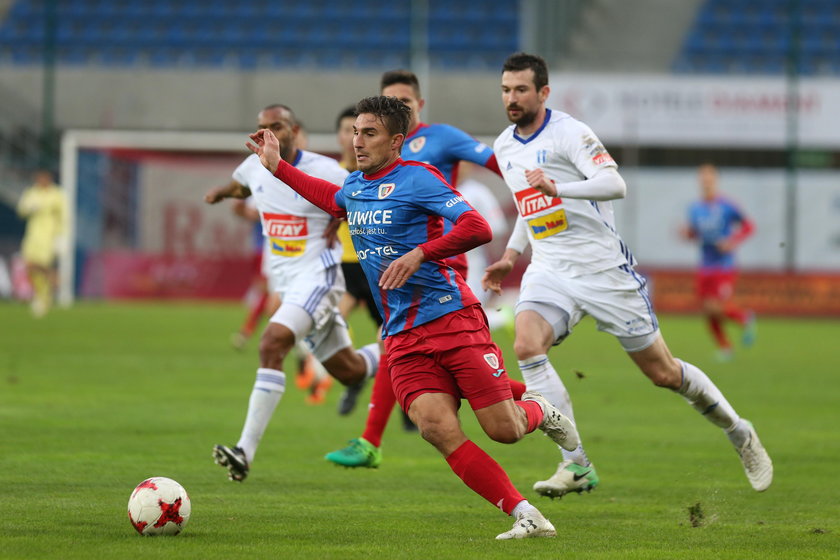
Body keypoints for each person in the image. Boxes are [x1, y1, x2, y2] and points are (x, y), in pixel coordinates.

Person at [246, 94, 580, 539]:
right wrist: (277, 166)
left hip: (452, 320)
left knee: (504, 430)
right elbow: (331, 198)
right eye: (355, 132)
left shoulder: (419, 179)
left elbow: (476, 227)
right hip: (402, 335)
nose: (357, 141)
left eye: (369, 133)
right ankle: (525, 514)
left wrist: (420, 254)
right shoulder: (355, 186)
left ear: (396, 141)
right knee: (436, 428)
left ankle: (540, 409)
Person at [483, 52, 773, 499]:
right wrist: (512, 253)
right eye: (506, 89)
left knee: (663, 373)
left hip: (603, 270)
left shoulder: (570, 132)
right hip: (551, 267)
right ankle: (575, 464)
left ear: (543, 92)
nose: (512, 98)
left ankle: (738, 431)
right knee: (525, 344)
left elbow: (615, 184)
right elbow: (528, 203)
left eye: (521, 89)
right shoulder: (504, 144)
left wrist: (560, 187)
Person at [325, 69, 525, 468]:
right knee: (395, 342)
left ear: (418, 104)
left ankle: (371, 439)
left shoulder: (442, 139)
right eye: (389, 101)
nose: (397, 107)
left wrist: (537, 188)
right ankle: (370, 440)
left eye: (403, 101)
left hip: (445, 260)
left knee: (410, 347)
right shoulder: (375, 155)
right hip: (394, 257)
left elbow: (500, 164)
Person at [203, 104, 380, 482]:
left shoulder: (325, 170)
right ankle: (402, 349)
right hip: (288, 282)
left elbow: (355, 200)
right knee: (349, 371)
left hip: (319, 277)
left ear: (295, 131)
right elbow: (242, 187)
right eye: (261, 126)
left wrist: (341, 218)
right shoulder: (253, 166)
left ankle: (244, 451)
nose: (267, 132)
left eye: (276, 126)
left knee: (272, 343)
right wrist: (222, 192)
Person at [331, 105, 385, 416]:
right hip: (345, 266)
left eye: (361, 131)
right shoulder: (332, 174)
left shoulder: (379, 174)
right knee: (333, 321)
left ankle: (405, 407)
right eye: (348, 131)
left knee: (391, 340)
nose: (353, 138)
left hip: (377, 265)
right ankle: (354, 375)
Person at [682, 163, 757, 361]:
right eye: (702, 179)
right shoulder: (695, 208)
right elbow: (694, 233)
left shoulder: (727, 205)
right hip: (705, 265)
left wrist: (732, 242)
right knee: (707, 310)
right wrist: (686, 234)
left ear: (715, 181)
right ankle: (725, 348)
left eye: (709, 179)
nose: (706, 183)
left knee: (716, 307)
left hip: (724, 265)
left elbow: (749, 226)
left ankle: (744, 318)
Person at [16, 169, 65, 317]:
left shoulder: (57, 195)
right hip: (32, 236)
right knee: (30, 266)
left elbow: (64, 216)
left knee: (41, 264)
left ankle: (45, 296)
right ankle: (47, 288)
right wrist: (29, 208)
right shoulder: (31, 193)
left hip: (48, 237)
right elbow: (21, 211)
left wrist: (62, 237)